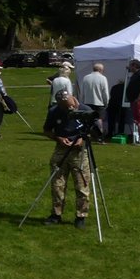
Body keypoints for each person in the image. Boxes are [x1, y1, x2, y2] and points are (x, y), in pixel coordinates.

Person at [43, 91, 91, 228]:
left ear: (73, 98)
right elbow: (46, 130)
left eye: (71, 106)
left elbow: (96, 132)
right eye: (65, 107)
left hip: (79, 152)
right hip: (61, 150)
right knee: (57, 184)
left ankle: (81, 216)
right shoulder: (54, 111)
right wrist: (58, 138)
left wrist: (82, 139)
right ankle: (56, 214)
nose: (70, 109)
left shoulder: (85, 110)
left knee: (82, 185)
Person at [79, 63, 110, 140]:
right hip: (99, 102)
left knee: (88, 120)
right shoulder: (103, 78)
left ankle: (88, 135)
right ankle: (100, 136)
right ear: (100, 70)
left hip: (87, 102)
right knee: (99, 119)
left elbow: (82, 92)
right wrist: (106, 103)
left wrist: (81, 102)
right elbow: (105, 93)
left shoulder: (85, 78)